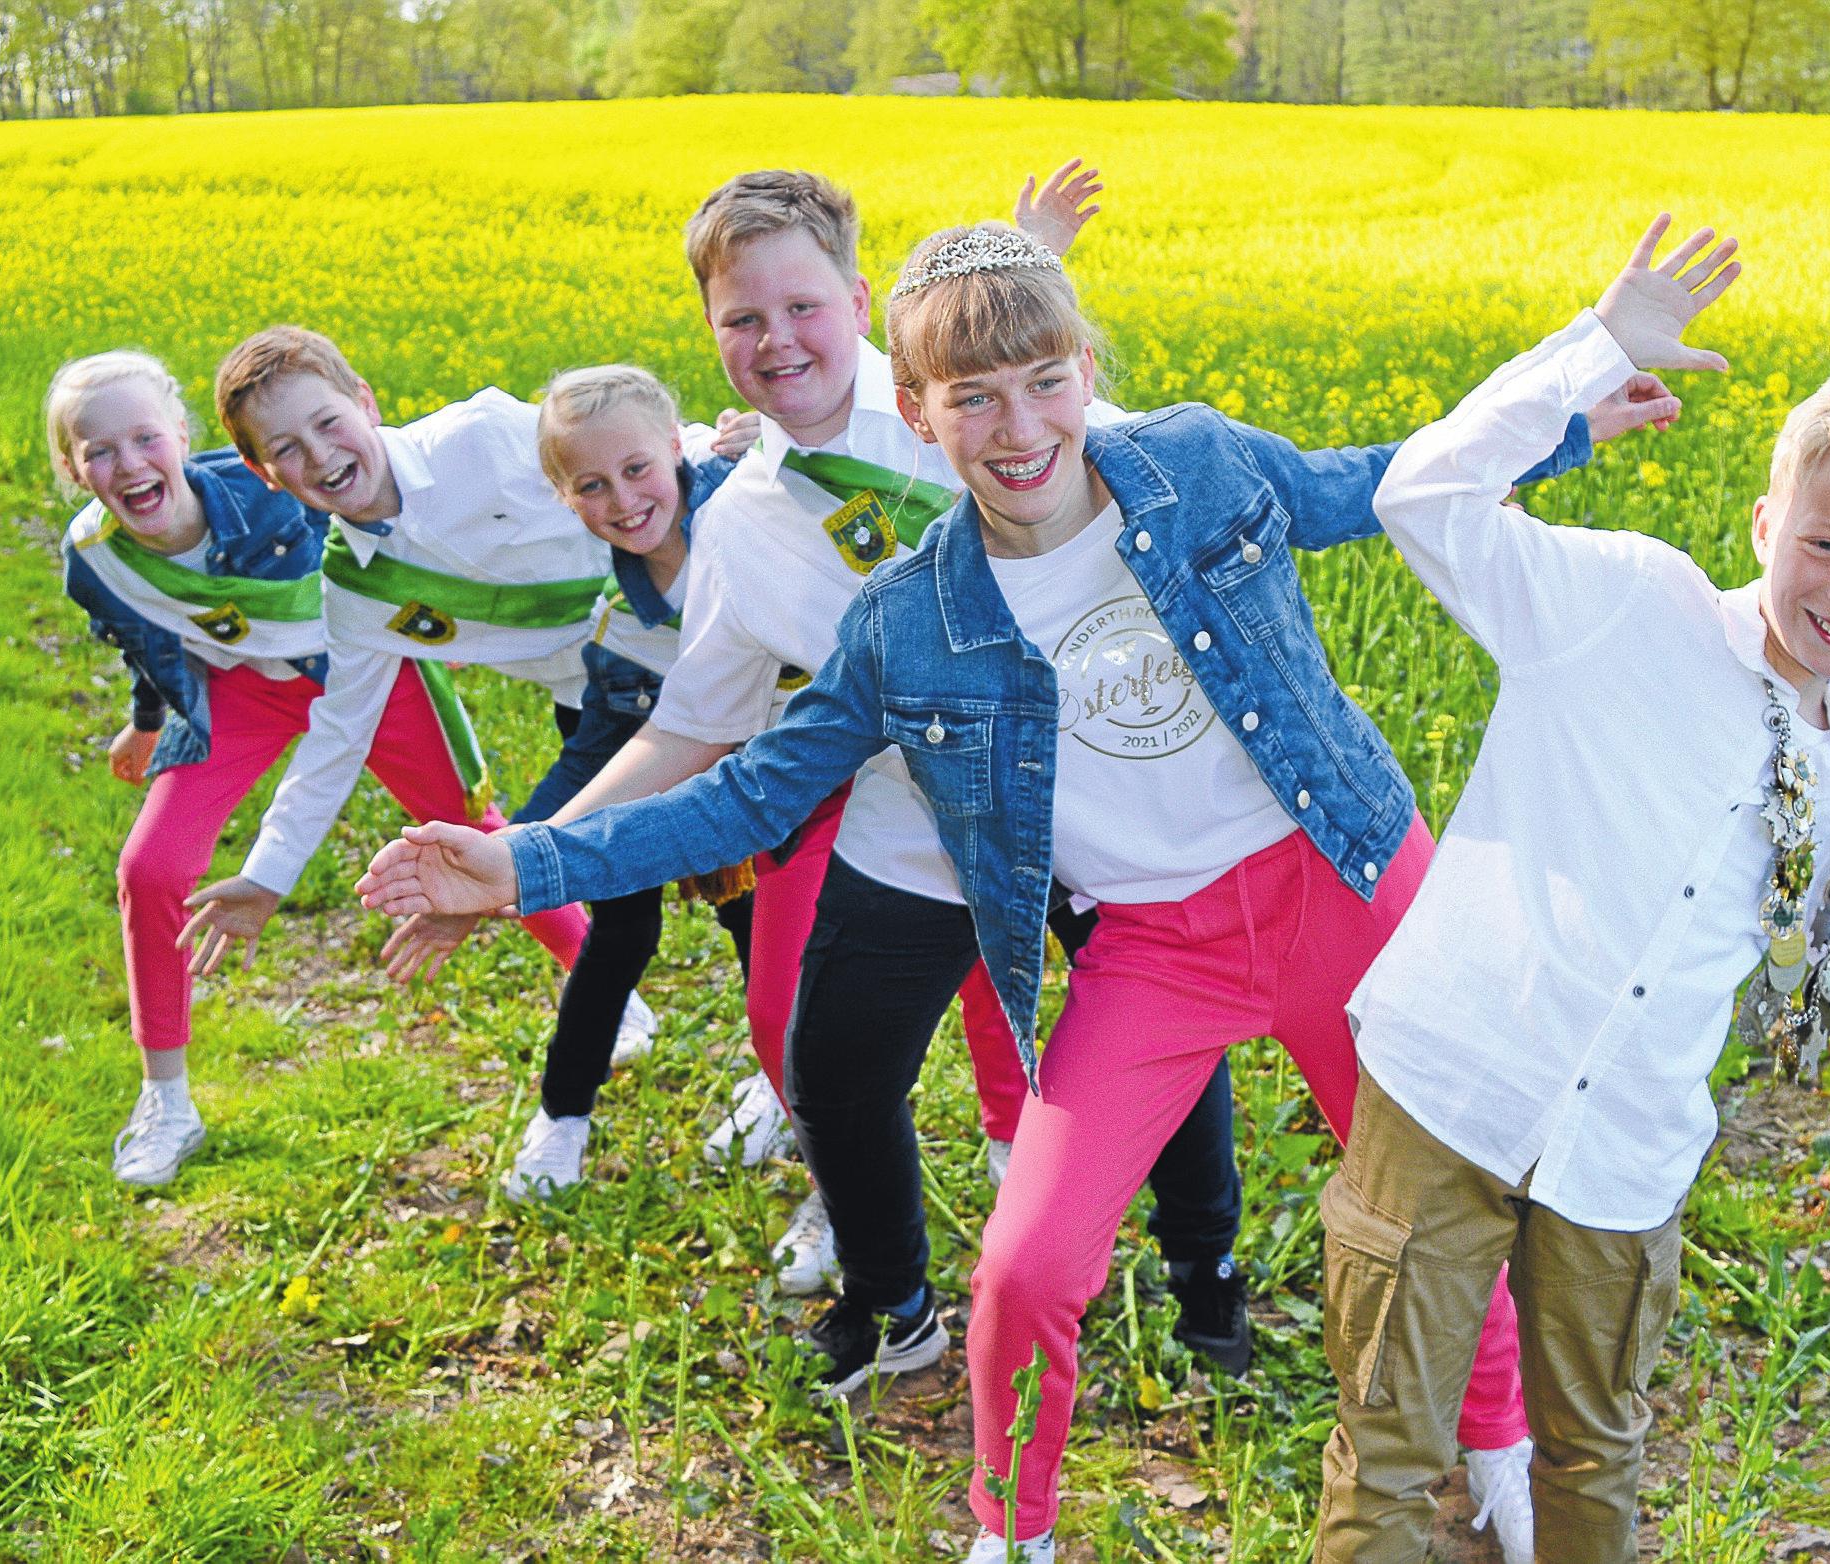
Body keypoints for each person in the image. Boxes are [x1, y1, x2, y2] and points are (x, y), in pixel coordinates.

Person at [348, 218, 1669, 1562]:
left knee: (1431, 1194)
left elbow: (1382, 484)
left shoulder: (1194, 467)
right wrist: (523, 860)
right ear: (915, 413)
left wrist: (1569, 396)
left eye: (1042, 382)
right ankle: (1010, 1533)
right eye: (970, 397)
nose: (1015, 423)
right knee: (1026, 1267)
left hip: (1342, 879)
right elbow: (745, 793)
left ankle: (1496, 1444)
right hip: (1155, 949)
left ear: (1085, 369)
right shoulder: (905, 619)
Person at [1316, 215, 1830, 1562]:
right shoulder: (1625, 605)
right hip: (1452, 1083)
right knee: (1387, 1451)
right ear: (1763, 523)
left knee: (1593, 1454)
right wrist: (1591, 354)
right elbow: (1421, 501)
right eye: (1823, 544)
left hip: (1620, 1149)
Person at [500, 165, 1256, 1323]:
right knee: (835, 1067)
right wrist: (524, 852)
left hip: (1096, 780)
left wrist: (1441, 479)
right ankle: (887, 1301)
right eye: (742, 319)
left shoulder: (961, 398)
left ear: (860, 302)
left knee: (1149, 1026)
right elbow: (693, 724)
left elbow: (1170, 456)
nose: (776, 340)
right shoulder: (740, 523)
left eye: (802, 307)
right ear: (710, 334)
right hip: (924, 807)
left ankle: (1205, 1269)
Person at [49, 349, 506, 1187]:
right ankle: (166, 1099)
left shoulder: (272, 485)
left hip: (358, 672)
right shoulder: (96, 555)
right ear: (72, 467)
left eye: (145, 438)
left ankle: (606, 990)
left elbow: (378, 475)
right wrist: (147, 722)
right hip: (237, 696)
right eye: (98, 451)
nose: (128, 464)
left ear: (181, 437)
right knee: (150, 869)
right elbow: (140, 636)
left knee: (472, 838)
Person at [180, 326, 645, 1059]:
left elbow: (628, 449)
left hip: (713, 655)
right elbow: (339, 736)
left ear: (364, 401)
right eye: (287, 449)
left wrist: (724, 442)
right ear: (260, 470)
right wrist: (267, 877)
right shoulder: (356, 588)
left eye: (328, 423)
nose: (322, 456)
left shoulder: (483, 438)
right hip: (601, 711)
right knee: (673, 894)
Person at [488, 363, 760, 1196]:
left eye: (638, 469)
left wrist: (764, 442)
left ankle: (783, 1095)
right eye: (591, 485)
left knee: (770, 946)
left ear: (676, 446)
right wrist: (517, 848)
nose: (622, 500)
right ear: (565, 497)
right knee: (620, 938)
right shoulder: (622, 624)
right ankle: (561, 1117)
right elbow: (596, 751)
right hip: (664, 773)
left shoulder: (755, 507)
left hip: (775, 793)